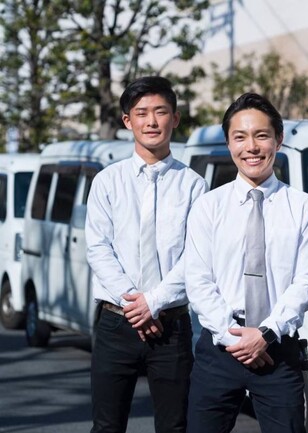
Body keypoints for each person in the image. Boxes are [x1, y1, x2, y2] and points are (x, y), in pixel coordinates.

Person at [184, 92, 308, 433]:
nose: (251, 147)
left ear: (278, 139)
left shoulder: (303, 207)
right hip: (219, 348)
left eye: (261, 136)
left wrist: (266, 333)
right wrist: (234, 338)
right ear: (228, 143)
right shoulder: (208, 207)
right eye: (240, 137)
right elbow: (198, 281)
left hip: (278, 349)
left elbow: (307, 282)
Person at [86, 76, 208, 433]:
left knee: (174, 426)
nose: (151, 121)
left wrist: (153, 302)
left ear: (176, 118)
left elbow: (196, 255)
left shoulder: (194, 185)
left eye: (160, 112)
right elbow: (98, 248)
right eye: (141, 113)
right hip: (115, 323)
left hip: (171, 325)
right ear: (128, 121)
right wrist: (135, 306)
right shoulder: (107, 181)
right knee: (107, 426)